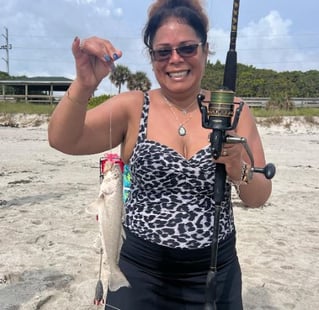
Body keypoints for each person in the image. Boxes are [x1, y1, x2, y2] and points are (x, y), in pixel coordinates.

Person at [48, 0, 272, 309]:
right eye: (163, 52)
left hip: (213, 272)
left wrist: (237, 167)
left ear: (206, 50)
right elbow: (62, 139)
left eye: (187, 49)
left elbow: (258, 197)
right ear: (151, 57)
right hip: (139, 272)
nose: (175, 60)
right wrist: (85, 83)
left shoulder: (234, 111)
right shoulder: (132, 107)